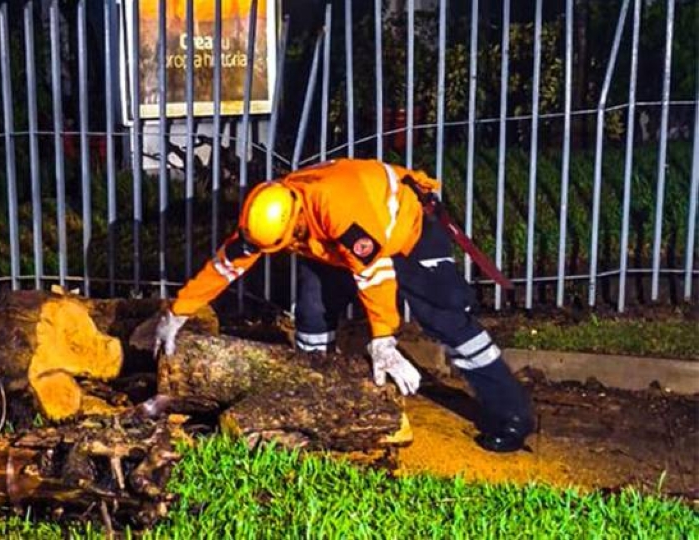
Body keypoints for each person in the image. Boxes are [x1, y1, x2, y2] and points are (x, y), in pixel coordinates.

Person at [151, 158, 534, 452]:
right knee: (312, 314)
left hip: (407, 232)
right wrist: (179, 311)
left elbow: (375, 275)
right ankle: (312, 406)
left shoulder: (339, 209)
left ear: (297, 218)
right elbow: (228, 263)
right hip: (332, 249)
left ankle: (511, 414)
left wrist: (383, 339)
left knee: (447, 318)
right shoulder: (270, 210)